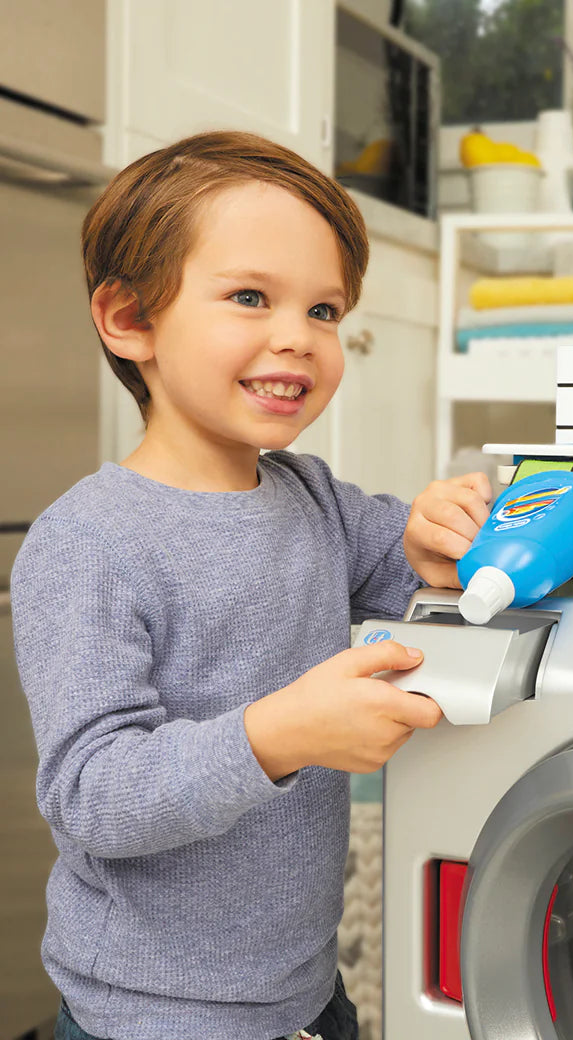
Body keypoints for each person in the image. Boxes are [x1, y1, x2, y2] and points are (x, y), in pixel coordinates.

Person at [9, 130, 493, 1040]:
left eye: (324, 311)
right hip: (151, 1017)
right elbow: (92, 792)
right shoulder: (89, 543)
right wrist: (279, 735)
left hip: (304, 988)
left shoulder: (308, 494)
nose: (298, 339)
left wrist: (441, 531)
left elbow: (411, 568)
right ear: (129, 321)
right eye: (249, 298)